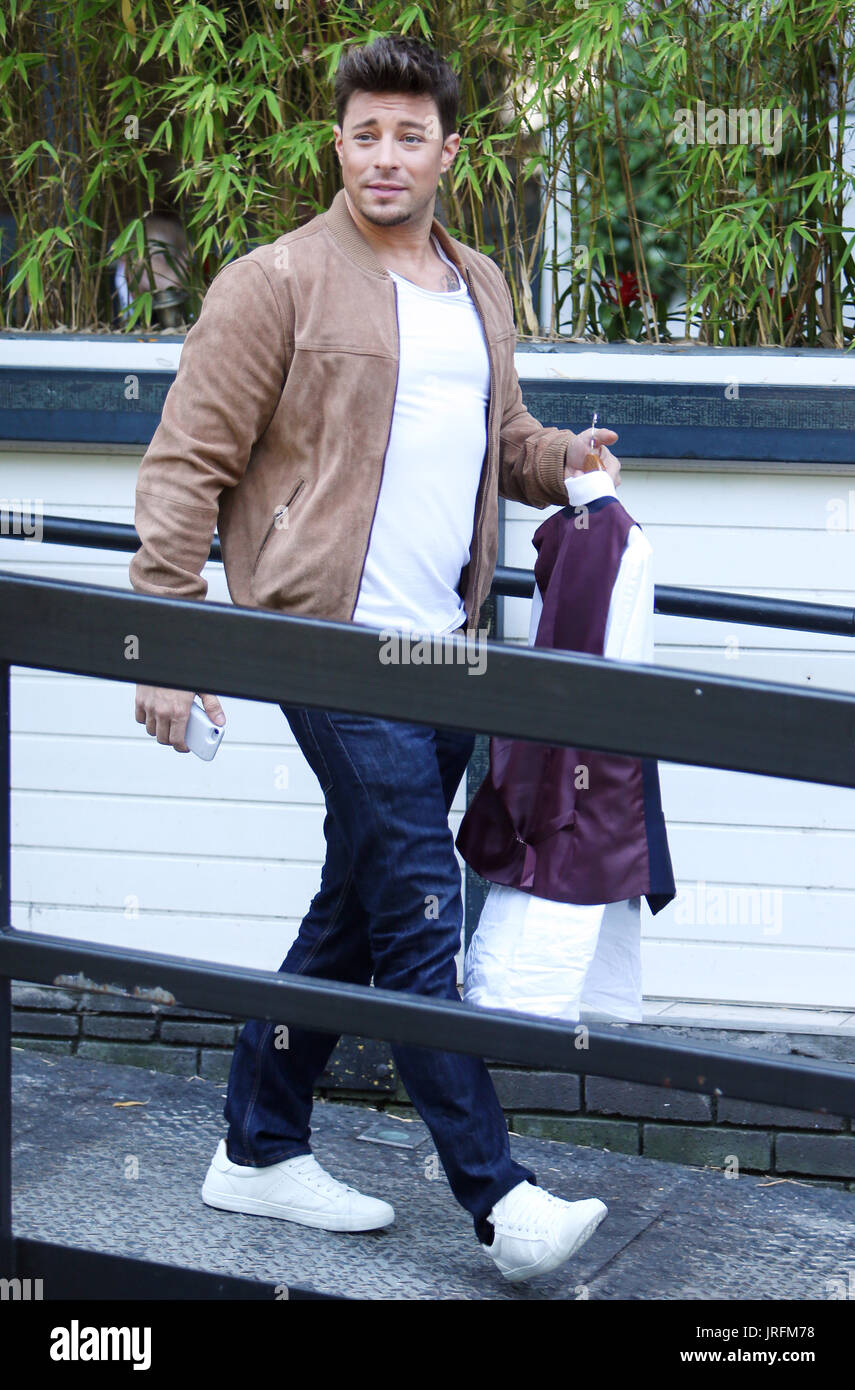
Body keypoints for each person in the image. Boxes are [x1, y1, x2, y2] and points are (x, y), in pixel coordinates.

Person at [129, 33, 621, 1285]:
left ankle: (256, 1143)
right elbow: (185, 464)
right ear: (337, 145)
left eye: (410, 135)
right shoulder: (275, 282)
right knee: (417, 909)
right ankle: (500, 1201)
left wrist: (561, 460)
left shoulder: (479, 283)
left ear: (448, 151)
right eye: (365, 134)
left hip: (445, 651)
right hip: (331, 645)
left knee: (355, 901)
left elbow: (498, 439)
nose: (385, 156)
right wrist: (164, 638)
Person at [457, 440, 676, 1024]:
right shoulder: (623, 539)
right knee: (574, 853)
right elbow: (624, 656)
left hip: (555, 734)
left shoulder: (565, 532)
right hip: (599, 739)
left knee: (546, 860)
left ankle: (509, 1005)